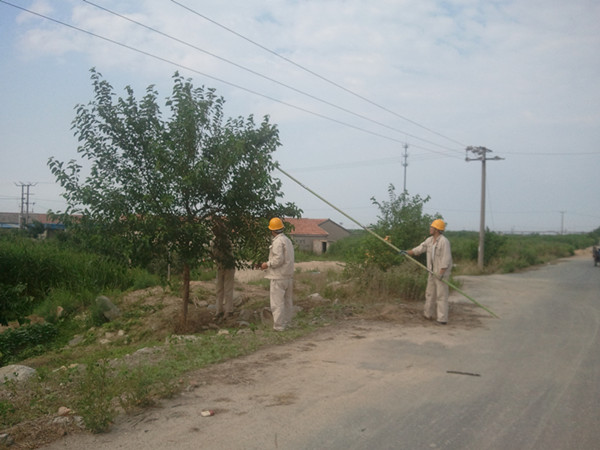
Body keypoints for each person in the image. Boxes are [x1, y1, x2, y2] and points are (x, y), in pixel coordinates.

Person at [407, 219, 453, 325]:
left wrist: (441, 273)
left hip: (441, 273)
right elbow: (419, 249)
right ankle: (428, 314)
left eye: (432, 227)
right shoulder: (429, 240)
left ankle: (442, 319)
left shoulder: (444, 241)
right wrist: (407, 252)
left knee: (441, 296)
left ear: (437, 229)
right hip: (431, 272)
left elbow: (446, 259)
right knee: (429, 294)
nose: (430, 229)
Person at [261, 217, 295, 331]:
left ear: (272, 230)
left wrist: (267, 264)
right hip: (288, 276)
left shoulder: (277, 242)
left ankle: (279, 326)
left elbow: (278, 260)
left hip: (278, 276)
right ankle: (287, 323)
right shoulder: (287, 240)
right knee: (287, 302)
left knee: (277, 303)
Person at [212, 221, 235, 320]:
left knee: (227, 289)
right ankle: (219, 311)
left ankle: (228, 311)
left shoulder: (226, 241)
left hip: (228, 266)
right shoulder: (215, 241)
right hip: (220, 266)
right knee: (219, 289)